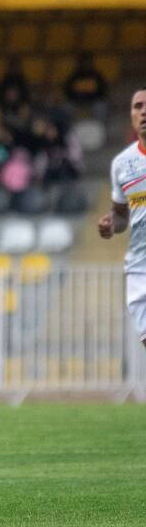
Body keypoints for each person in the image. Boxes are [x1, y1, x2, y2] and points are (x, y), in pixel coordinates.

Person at [98, 87, 146, 347]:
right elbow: (120, 216)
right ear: (131, 115)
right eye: (138, 106)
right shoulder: (122, 164)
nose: (144, 112)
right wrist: (110, 224)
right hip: (140, 266)